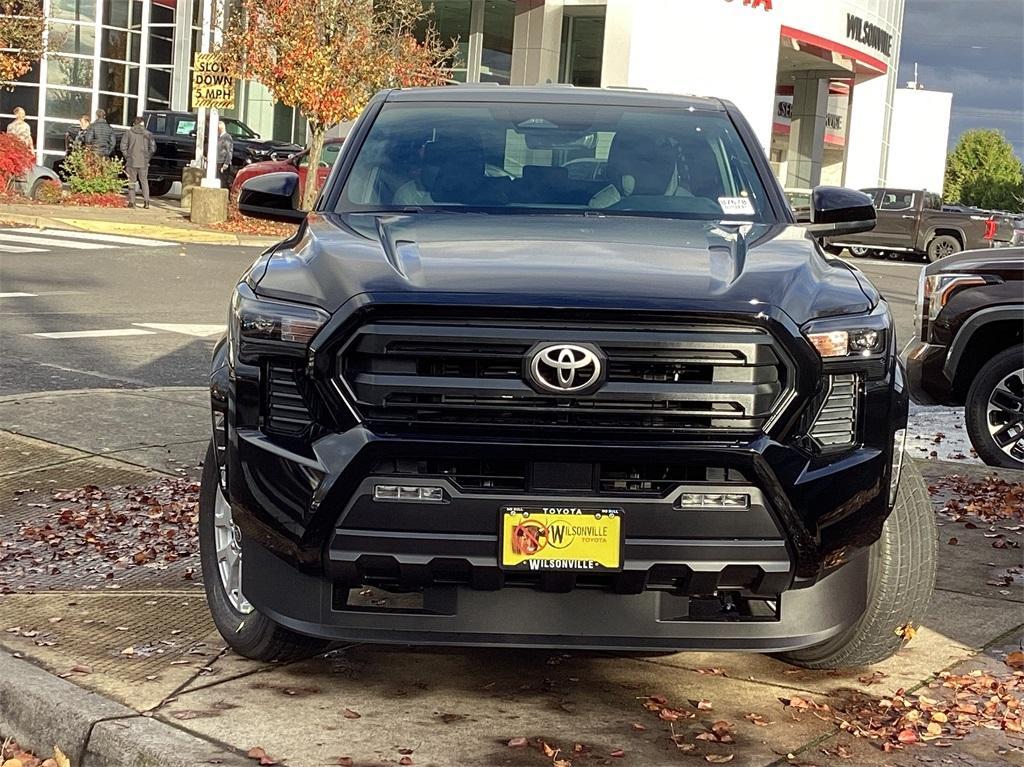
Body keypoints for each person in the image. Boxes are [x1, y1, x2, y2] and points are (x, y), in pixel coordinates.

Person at [120, 116, 156, 209]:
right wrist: (147, 158)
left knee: (131, 182)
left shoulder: (128, 133)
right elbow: (152, 148)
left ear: (134, 123)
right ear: (142, 123)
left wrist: (127, 156)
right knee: (144, 181)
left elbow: (123, 146)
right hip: (143, 161)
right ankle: (146, 202)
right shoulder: (148, 134)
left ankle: (132, 202)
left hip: (131, 161)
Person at [216, 120, 234, 187]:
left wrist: (226, 163)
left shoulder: (227, 137)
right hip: (218, 162)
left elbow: (229, 151)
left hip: (222, 162)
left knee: (223, 182)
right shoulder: (218, 137)